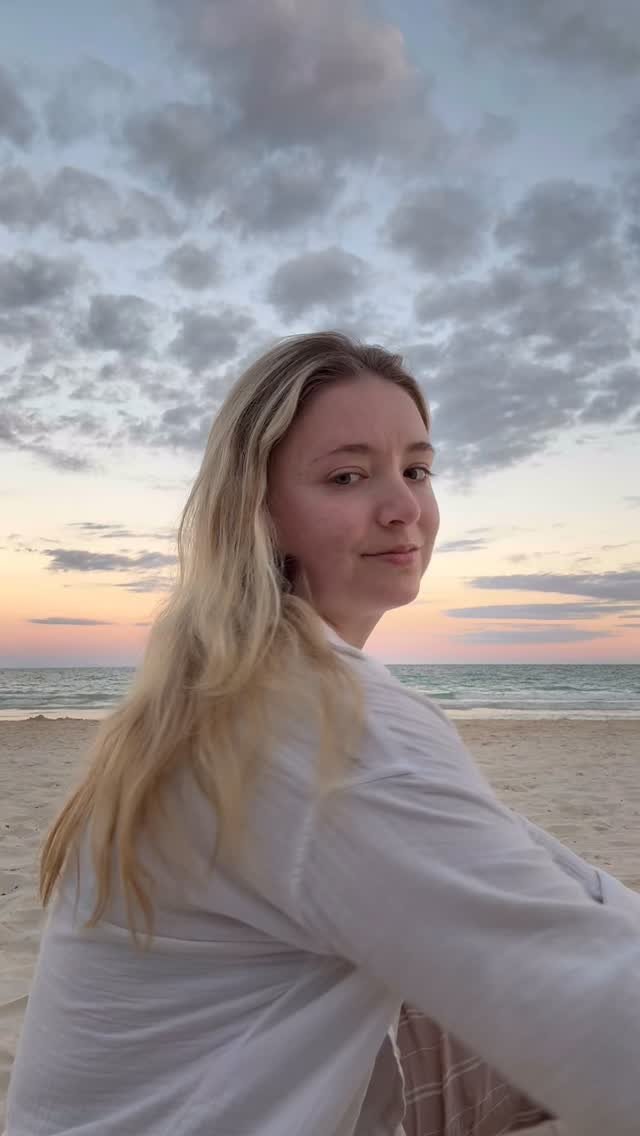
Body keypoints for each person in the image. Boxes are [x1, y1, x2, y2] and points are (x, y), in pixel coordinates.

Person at [6, 331, 640, 1136]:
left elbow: (523, 863)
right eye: (348, 476)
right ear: (261, 513)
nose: (404, 508)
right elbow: (602, 1020)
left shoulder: (225, 686)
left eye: (416, 470)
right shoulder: (321, 725)